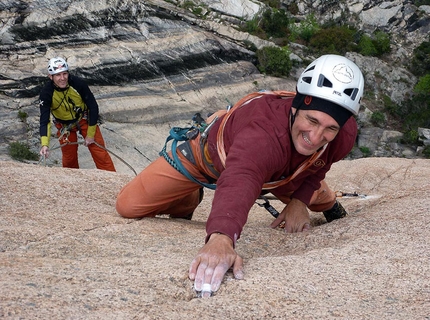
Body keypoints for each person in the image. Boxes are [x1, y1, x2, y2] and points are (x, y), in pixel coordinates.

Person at [115, 54, 364, 297]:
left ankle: (330, 204)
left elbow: (320, 164)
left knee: (317, 195)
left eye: (330, 128)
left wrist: (300, 201)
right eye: (311, 120)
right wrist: (222, 239)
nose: (317, 136)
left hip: (284, 175)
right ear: (296, 106)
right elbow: (241, 178)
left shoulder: (343, 134)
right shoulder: (262, 134)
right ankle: (189, 195)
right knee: (129, 205)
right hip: (209, 160)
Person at [39, 57, 116, 171]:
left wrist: (90, 135)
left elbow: (93, 107)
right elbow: (45, 120)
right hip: (64, 126)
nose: (62, 78)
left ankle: (112, 179)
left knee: (100, 153)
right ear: (51, 77)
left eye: (65, 74)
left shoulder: (78, 84)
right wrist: (45, 144)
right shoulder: (46, 93)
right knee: (69, 159)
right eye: (58, 75)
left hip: (84, 119)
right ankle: (72, 183)